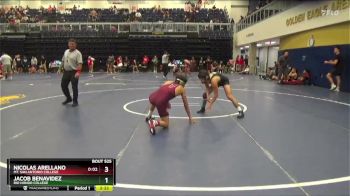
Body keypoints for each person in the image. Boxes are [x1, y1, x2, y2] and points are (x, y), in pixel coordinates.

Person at [61, 38, 83, 107]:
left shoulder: (78, 53)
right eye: (70, 44)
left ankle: (75, 101)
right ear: (68, 44)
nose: (71, 45)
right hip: (66, 72)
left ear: (75, 45)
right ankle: (68, 98)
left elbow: (80, 64)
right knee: (63, 86)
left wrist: (78, 72)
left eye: (73, 44)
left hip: (74, 72)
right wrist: (60, 68)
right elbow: (63, 60)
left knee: (74, 87)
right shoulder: (66, 51)